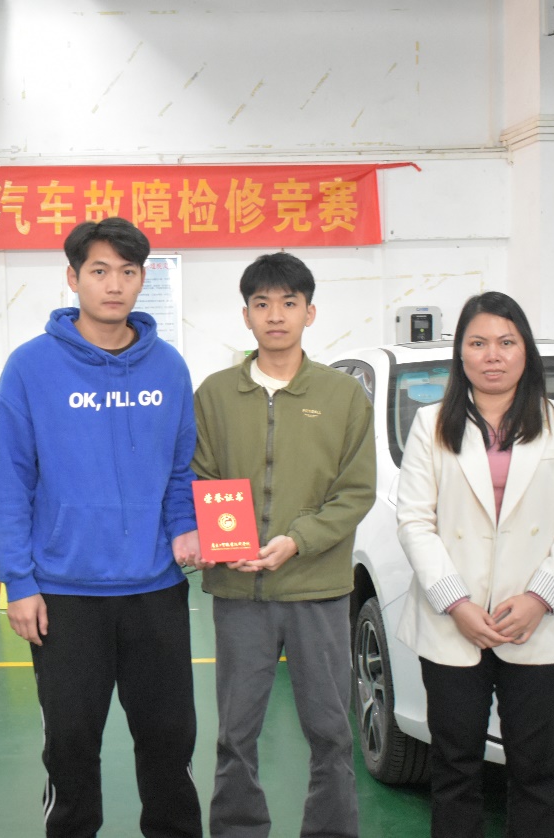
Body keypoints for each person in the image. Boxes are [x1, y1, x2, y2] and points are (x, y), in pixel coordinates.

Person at [0, 217, 203, 838]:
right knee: (71, 745)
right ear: (73, 277)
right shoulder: (30, 367)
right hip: (64, 595)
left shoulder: (169, 367)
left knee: (169, 741)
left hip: (155, 590)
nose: (114, 285)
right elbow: (10, 482)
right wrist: (20, 582)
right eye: (100, 271)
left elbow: (179, 470)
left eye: (127, 272)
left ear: (142, 279)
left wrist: (185, 527)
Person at [395, 291, 554, 838]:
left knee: (535, 767)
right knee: (454, 765)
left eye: (506, 342)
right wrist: (456, 603)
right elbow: (414, 521)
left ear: (525, 350)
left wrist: (539, 597)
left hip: (533, 619)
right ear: (459, 353)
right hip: (454, 620)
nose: (492, 355)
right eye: (478, 343)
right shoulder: (431, 424)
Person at [191, 252, 375, 838]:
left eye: (289, 303)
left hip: (316, 590)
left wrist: (297, 541)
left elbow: (355, 491)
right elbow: (200, 476)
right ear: (246, 315)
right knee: (235, 733)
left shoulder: (343, 396)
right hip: (239, 591)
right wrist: (222, 543)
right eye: (262, 304)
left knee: (331, 732)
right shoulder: (215, 394)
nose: (276, 315)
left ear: (309, 313)